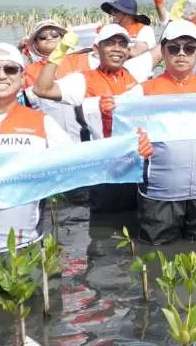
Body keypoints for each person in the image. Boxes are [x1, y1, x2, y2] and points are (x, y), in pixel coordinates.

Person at [0, 43, 140, 298]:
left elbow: (82, 167)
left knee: (35, 326)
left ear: (22, 77)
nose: (1, 75)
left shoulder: (41, 122)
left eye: (10, 69)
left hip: (24, 252)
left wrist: (129, 153)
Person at [102, 21, 196, 245]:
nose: (181, 54)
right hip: (159, 194)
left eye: (189, 48)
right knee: (156, 258)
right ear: (163, 52)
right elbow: (119, 142)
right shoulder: (142, 92)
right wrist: (108, 116)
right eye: (174, 48)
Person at [33, 25, 141, 213]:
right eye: (110, 43)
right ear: (96, 48)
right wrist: (60, 51)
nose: (117, 48)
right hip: (102, 170)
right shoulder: (82, 81)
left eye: (122, 44)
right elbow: (42, 89)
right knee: (104, 230)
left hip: (134, 165)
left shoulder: (136, 76)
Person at [19, 19, 95, 137]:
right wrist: (19, 50)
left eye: (54, 34)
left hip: (85, 134)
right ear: (35, 44)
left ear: (62, 38)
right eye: (43, 37)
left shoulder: (82, 59)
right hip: (49, 136)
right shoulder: (28, 71)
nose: (49, 38)